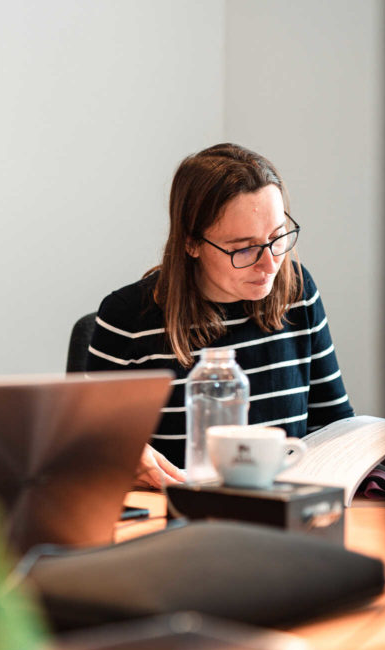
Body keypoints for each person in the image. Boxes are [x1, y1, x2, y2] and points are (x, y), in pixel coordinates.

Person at [87, 143, 353, 489]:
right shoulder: (128, 318)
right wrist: (118, 456)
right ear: (192, 243)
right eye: (243, 248)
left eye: (277, 237)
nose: (270, 263)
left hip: (280, 513)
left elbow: (333, 424)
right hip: (176, 517)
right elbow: (88, 453)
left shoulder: (297, 292)